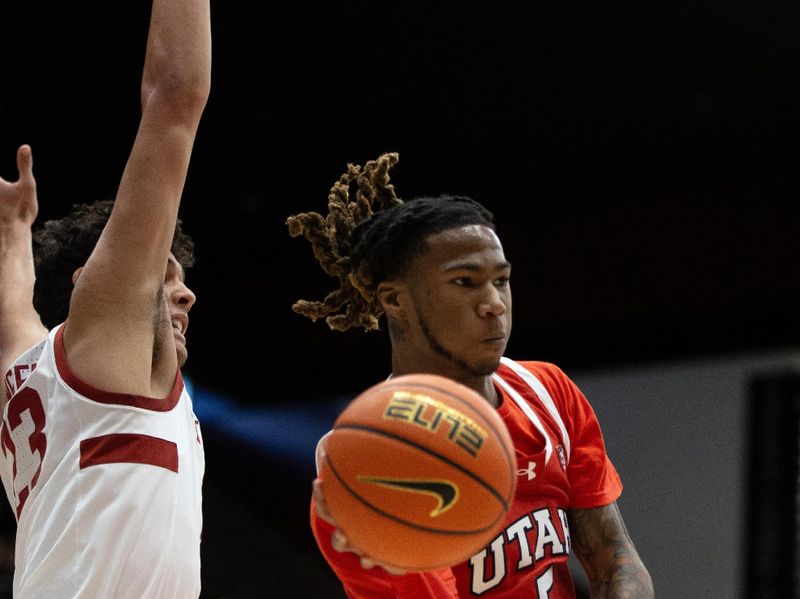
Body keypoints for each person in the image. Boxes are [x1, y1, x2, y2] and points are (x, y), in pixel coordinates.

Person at [288, 153, 654, 598]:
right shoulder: (366, 455)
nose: (495, 304)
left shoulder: (548, 392)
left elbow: (615, 560)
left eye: (501, 281)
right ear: (394, 300)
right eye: (464, 282)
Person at [0, 0, 210, 595]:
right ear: (97, 284)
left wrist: (14, 231)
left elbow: (11, 310)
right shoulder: (108, 347)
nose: (186, 293)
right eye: (165, 275)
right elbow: (175, 97)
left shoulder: (26, 370)